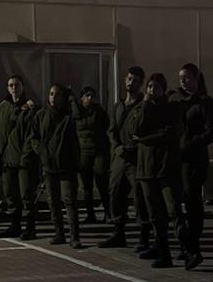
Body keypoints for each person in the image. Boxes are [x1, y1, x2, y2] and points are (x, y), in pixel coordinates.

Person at [173, 62, 213, 270]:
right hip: (178, 159)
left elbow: (212, 132)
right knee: (178, 202)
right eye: (181, 77)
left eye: (187, 77)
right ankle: (186, 244)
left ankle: (193, 246)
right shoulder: (178, 101)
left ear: (196, 78)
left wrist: (191, 143)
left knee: (192, 202)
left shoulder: (205, 103)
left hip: (195, 159)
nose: (183, 81)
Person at [133, 73, 182, 268]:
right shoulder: (144, 108)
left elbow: (168, 134)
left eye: (157, 87)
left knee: (173, 209)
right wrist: (145, 104)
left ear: (164, 89)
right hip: (147, 168)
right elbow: (136, 129)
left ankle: (188, 249)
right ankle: (163, 252)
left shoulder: (170, 108)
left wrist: (145, 139)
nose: (153, 90)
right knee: (154, 214)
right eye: (150, 86)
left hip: (164, 167)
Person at [100, 67, 146, 249]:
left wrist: (133, 147)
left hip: (136, 158)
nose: (131, 83)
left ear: (140, 83)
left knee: (139, 196)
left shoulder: (143, 106)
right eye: (129, 79)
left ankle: (144, 236)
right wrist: (117, 147)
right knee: (115, 192)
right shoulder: (118, 106)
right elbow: (111, 130)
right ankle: (118, 232)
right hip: (120, 156)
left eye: (135, 80)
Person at [33, 83, 83, 247]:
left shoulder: (69, 116)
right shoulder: (41, 115)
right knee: (53, 201)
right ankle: (59, 233)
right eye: (51, 94)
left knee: (69, 200)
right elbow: (34, 137)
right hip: (48, 164)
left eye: (58, 94)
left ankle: (74, 236)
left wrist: (72, 99)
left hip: (66, 165)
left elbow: (79, 117)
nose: (53, 97)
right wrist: (41, 152)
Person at [0, 75, 36, 240]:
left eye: (17, 85)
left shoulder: (30, 107)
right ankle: (15, 225)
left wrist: (26, 156)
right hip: (7, 158)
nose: (14, 88)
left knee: (26, 194)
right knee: (10, 194)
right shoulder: (3, 107)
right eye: (10, 85)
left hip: (23, 160)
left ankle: (30, 227)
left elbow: (32, 135)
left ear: (22, 86)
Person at [75, 86, 111, 226]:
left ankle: (108, 212)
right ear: (82, 98)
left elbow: (105, 127)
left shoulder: (99, 112)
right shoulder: (77, 112)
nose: (90, 98)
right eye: (87, 95)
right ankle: (90, 214)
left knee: (101, 181)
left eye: (92, 96)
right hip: (83, 152)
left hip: (98, 151)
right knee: (87, 185)